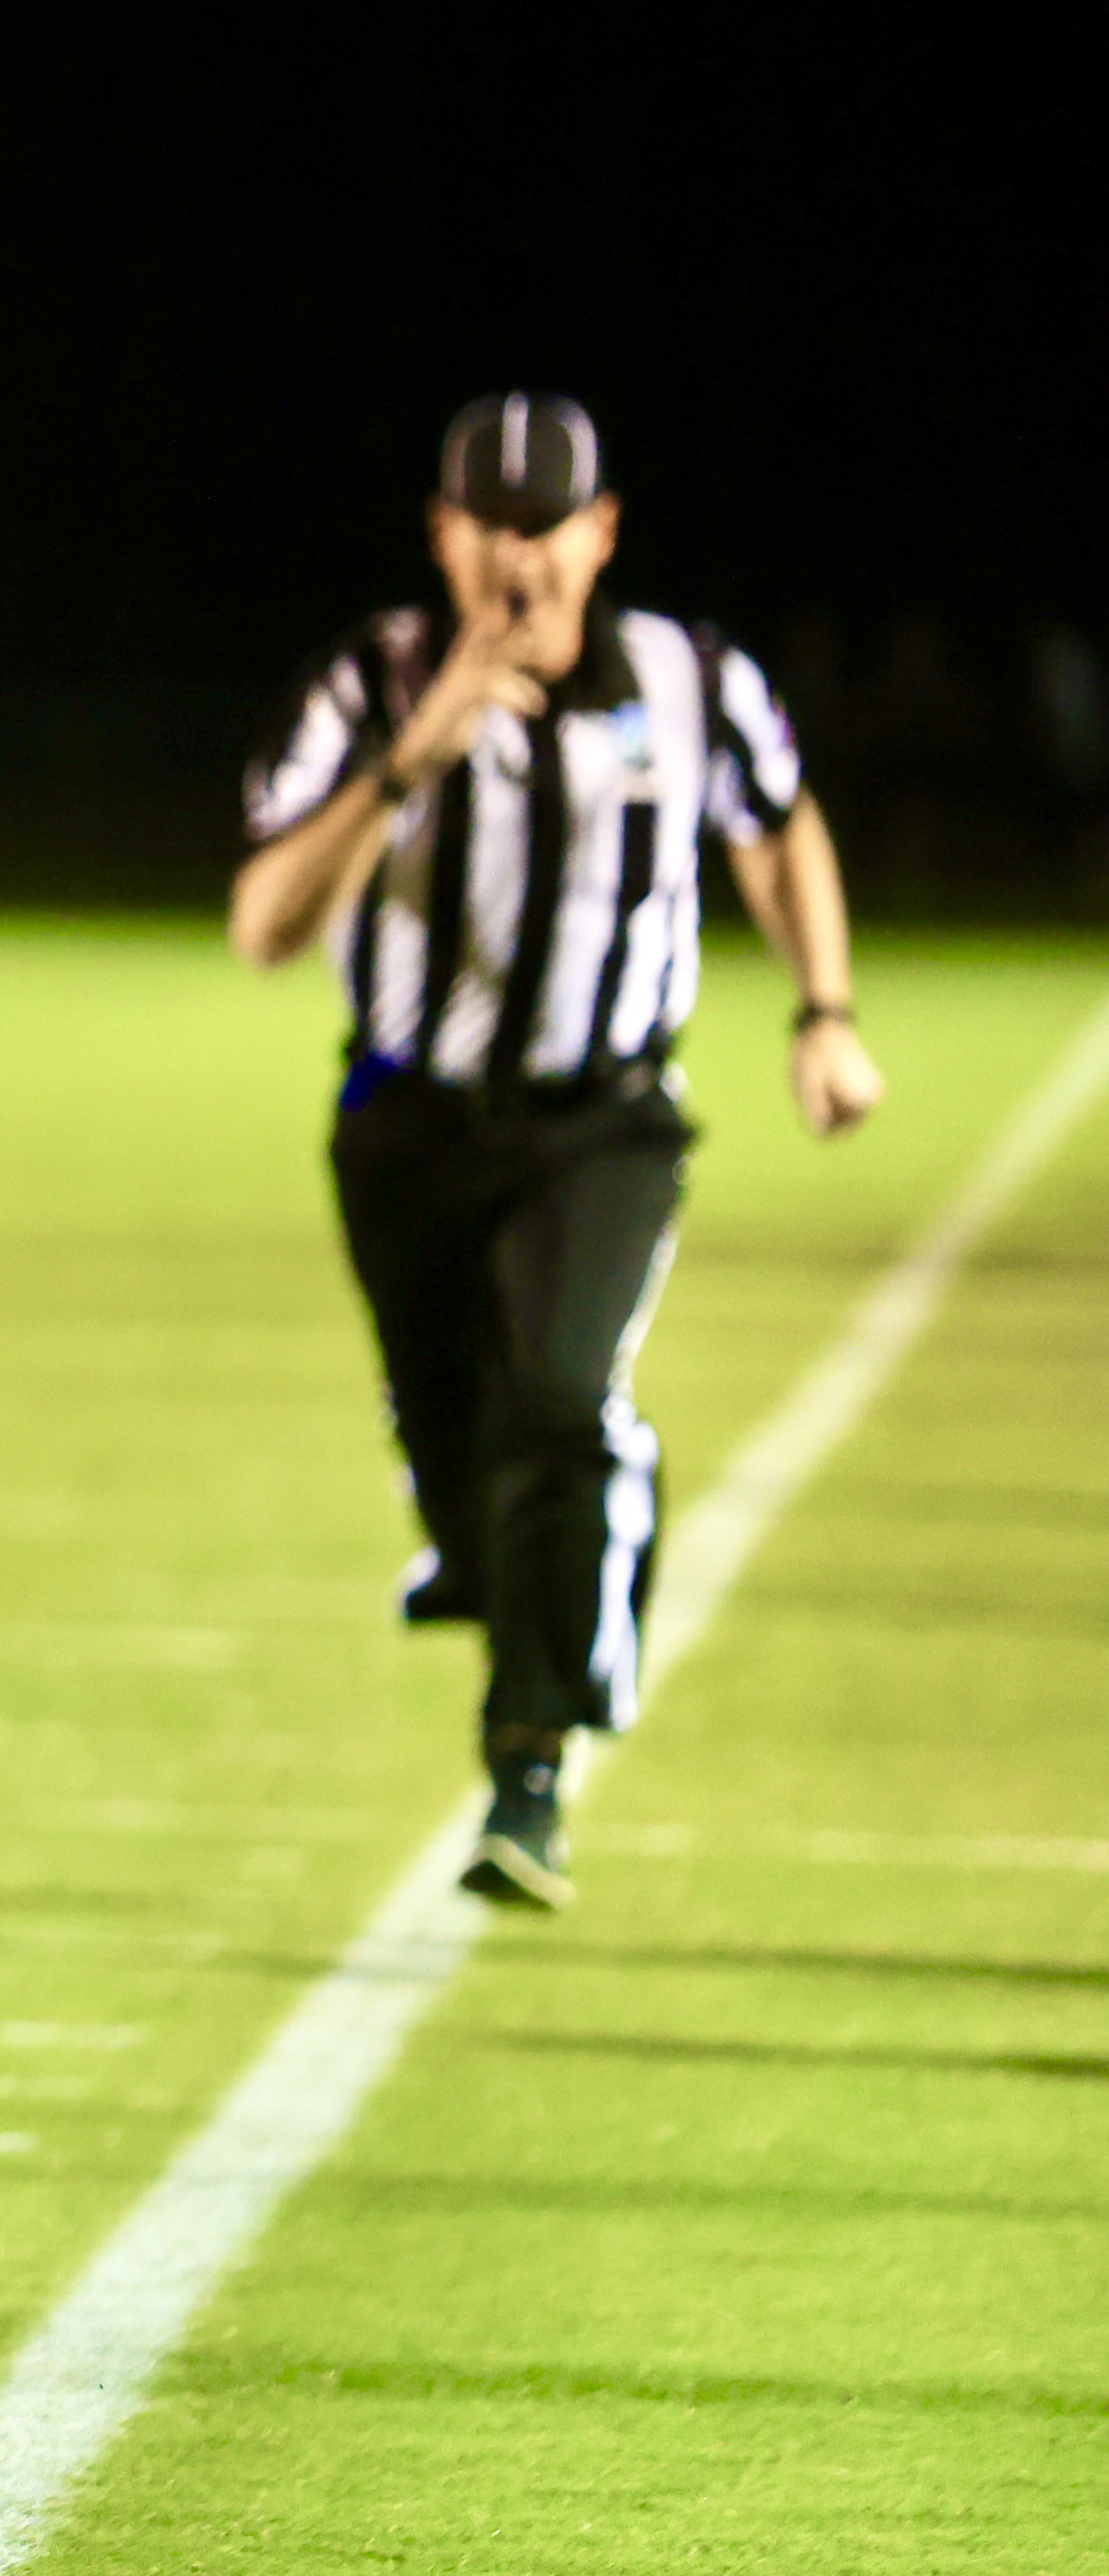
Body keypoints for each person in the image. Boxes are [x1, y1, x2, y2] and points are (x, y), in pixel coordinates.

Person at [232, 393, 886, 1909]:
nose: (518, 558)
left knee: (555, 1397)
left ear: (600, 533)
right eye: (491, 525)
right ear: (444, 534)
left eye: (547, 525)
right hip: (404, 1115)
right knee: (461, 1463)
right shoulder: (374, 679)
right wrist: (415, 755)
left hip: (602, 1116)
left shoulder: (687, 678)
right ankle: (517, 1537)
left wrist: (826, 1006)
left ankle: (528, 1763)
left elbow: (779, 824)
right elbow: (266, 923)